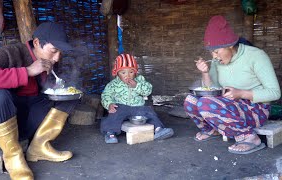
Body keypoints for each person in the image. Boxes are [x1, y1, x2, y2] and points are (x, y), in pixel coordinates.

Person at [0, 22, 79, 179]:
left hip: (23, 129)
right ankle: (13, 158)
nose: (57, 58)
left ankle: (39, 146)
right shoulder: (10, 53)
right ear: (37, 43)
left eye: (60, 52)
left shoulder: (51, 63)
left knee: (69, 94)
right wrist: (28, 71)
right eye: (54, 51)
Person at [183, 15, 281, 154]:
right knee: (190, 101)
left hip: (256, 110)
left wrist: (241, 93)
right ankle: (212, 130)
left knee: (205, 104)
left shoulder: (256, 56)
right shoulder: (217, 62)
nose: (214, 57)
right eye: (212, 53)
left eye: (216, 52)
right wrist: (205, 73)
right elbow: (213, 89)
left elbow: (274, 92)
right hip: (230, 105)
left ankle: (249, 137)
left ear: (230, 46)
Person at [100, 53, 174, 144]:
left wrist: (137, 86)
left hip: (138, 107)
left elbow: (148, 90)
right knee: (114, 114)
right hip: (121, 107)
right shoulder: (113, 84)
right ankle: (110, 133)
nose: (128, 75)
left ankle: (159, 129)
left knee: (149, 112)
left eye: (131, 72)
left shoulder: (140, 80)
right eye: (123, 72)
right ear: (117, 73)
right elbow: (106, 95)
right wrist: (109, 104)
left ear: (135, 72)